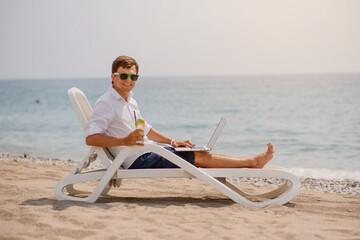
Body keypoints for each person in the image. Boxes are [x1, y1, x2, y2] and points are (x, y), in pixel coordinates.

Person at [86, 55, 274, 169]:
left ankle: (251, 161)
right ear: (113, 76)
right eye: (124, 75)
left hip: (148, 151)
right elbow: (91, 138)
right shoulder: (106, 103)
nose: (129, 80)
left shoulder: (130, 100)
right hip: (137, 160)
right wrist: (124, 141)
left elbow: (146, 129)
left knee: (193, 151)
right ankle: (251, 162)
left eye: (133, 76)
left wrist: (173, 141)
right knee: (198, 157)